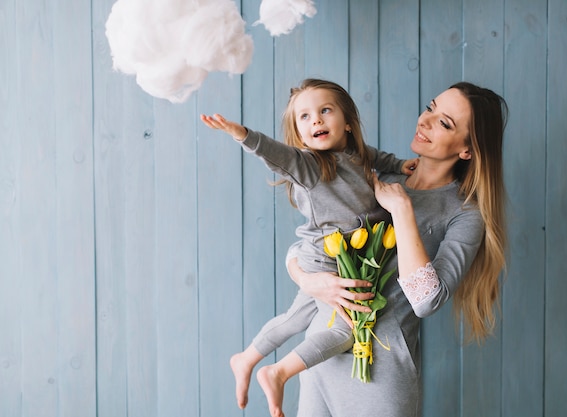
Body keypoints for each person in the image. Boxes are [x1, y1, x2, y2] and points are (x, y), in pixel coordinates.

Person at [287, 81, 508, 416]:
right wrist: (307, 280)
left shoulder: (463, 213)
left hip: (383, 372)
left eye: (445, 123)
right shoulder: (375, 174)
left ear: (467, 149)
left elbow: (427, 301)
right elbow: (308, 242)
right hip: (325, 355)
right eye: (431, 108)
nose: (425, 121)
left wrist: (402, 210)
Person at [200, 79, 415, 417]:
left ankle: (246, 358)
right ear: (299, 135)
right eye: (305, 117)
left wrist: (400, 165)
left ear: (347, 122)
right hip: (323, 259)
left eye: (325, 111)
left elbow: (376, 157)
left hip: (347, 256)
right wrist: (241, 133)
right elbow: (273, 153)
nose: (315, 120)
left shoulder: (355, 155)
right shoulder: (309, 166)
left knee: (295, 318)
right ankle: (276, 372)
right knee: (344, 326)